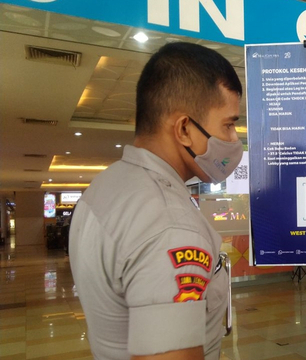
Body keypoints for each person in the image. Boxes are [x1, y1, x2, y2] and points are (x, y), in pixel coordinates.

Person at [69, 42, 243, 360]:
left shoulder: (105, 186)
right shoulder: (170, 223)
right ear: (184, 129)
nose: (234, 140)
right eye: (229, 125)